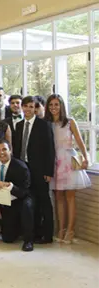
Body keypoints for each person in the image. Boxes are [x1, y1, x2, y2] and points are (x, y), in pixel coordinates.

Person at [45, 94, 92, 244]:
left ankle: (70, 230)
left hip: (68, 160)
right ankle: (61, 228)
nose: (53, 107)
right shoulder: (46, 123)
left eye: (56, 104)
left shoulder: (70, 122)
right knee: (58, 197)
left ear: (61, 106)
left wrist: (86, 158)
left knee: (70, 197)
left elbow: (80, 142)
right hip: (54, 161)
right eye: (51, 104)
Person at [13, 95, 55, 244]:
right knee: (30, 201)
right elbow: (17, 149)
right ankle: (34, 232)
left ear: (35, 109)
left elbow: (50, 150)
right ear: (22, 108)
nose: (28, 109)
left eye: (32, 107)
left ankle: (48, 234)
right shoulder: (18, 126)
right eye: (26, 106)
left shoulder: (43, 125)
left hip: (40, 169)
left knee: (44, 201)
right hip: (24, 169)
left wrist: (49, 172)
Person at [0, 138, 35, 252]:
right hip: (4, 201)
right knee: (7, 239)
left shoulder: (21, 167)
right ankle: (15, 229)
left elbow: (24, 191)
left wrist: (10, 186)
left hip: (20, 198)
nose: (1, 153)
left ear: (10, 150)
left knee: (27, 206)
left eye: (4, 149)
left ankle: (28, 240)